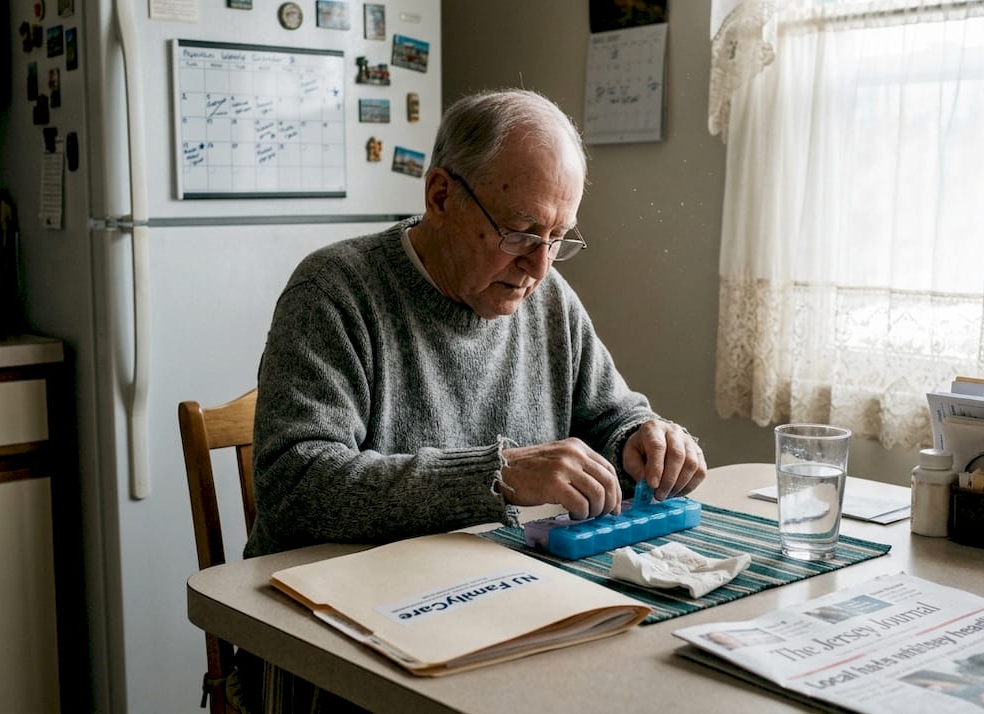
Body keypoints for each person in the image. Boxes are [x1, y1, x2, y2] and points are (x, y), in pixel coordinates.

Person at [233, 88, 706, 712]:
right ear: (440, 196)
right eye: (520, 232)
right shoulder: (333, 291)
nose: (539, 266)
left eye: (559, 237)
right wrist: (497, 476)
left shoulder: (547, 296)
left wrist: (644, 436)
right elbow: (297, 486)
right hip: (336, 645)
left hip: (494, 607)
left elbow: (609, 413)